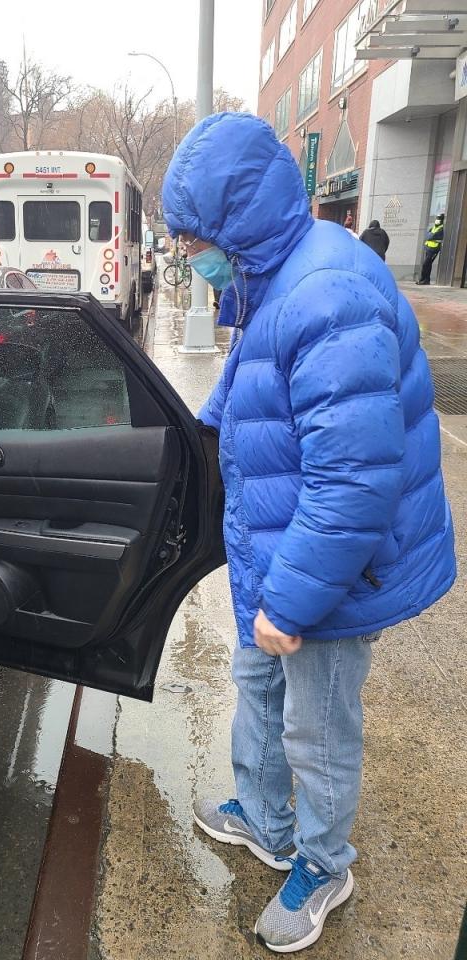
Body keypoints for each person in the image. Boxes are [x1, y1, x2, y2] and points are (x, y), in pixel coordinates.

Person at [162, 113, 455, 954]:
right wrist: (186, 432)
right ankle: (262, 815)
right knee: (256, 684)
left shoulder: (326, 293)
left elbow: (354, 483)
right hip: (279, 547)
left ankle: (325, 863)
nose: (189, 257)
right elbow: (255, 392)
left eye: (193, 241)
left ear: (236, 225)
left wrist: (289, 602)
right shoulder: (271, 278)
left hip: (332, 569)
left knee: (318, 726)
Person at [417, 213, 445, 285]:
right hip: (428, 248)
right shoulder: (433, 228)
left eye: (439, 219)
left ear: (442, 220)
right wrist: (430, 236)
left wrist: (430, 236)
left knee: (426, 264)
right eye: (437, 218)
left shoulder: (441, 228)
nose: (437, 220)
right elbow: (427, 236)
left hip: (434, 249)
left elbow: (431, 236)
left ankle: (425, 279)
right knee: (428, 265)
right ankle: (424, 280)